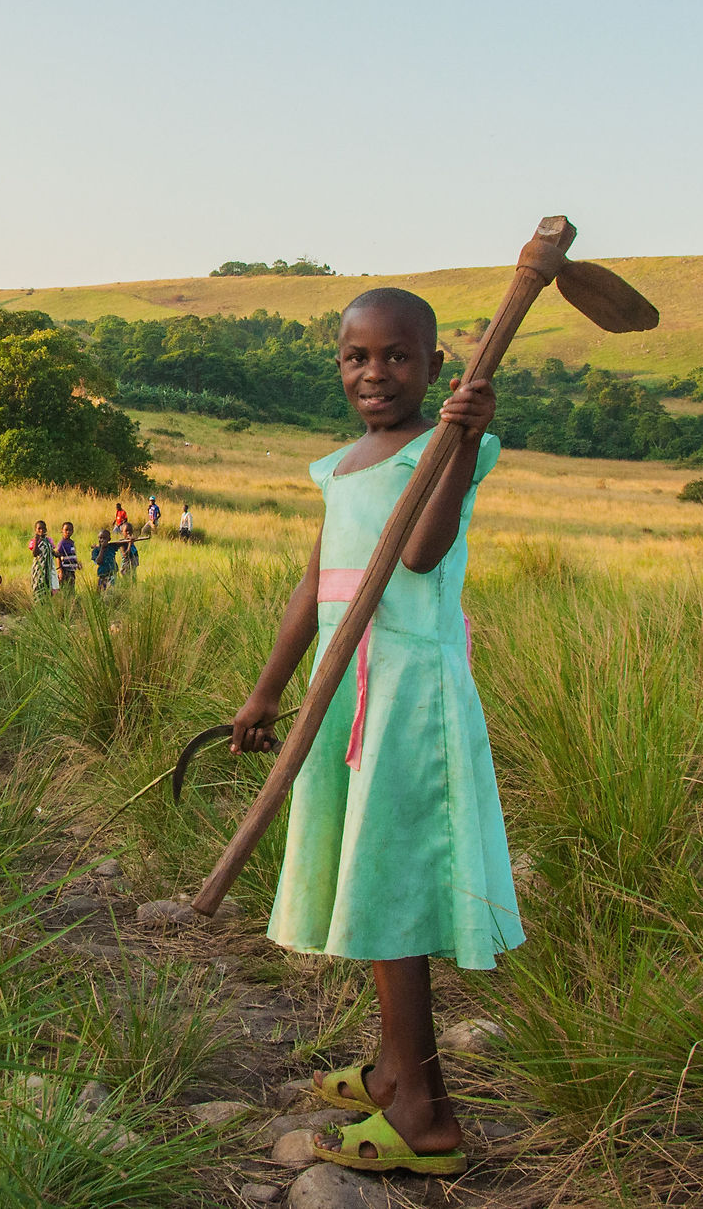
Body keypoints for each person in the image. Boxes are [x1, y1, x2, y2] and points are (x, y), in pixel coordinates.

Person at [227, 287, 515, 1179]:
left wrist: (460, 443)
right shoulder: (341, 466)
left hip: (407, 693)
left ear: (435, 367)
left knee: (392, 887)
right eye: (357, 356)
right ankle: (393, 1069)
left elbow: (421, 553)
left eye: (397, 357)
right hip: (343, 688)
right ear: (339, 366)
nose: (375, 372)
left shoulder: (450, 448)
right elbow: (318, 588)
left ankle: (425, 1113)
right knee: (369, 873)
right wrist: (269, 690)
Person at [28, 520, 55, 597]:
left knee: (47, 588)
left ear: (46, 529)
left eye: (43, 528)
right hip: (39, 569)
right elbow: (35, 553)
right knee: (38, 587)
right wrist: (36, 540)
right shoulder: (35, 541)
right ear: (35, 530)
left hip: (48, 569)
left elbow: (51, 551)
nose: (41, 530)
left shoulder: (48, 540)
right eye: (39, 528)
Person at [55, 522, 80, 592]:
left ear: (73, 531)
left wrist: (77, 564)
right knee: (64, 589)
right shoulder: (62, 543)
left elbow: (72, 556)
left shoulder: (72, 542)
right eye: (66, 530)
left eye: (70, 530)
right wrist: (60, 570)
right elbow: (58, 556)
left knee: (71, 589)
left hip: (71, 570)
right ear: (62, 531)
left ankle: (70, 601)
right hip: (65, 570)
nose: (68, 532)